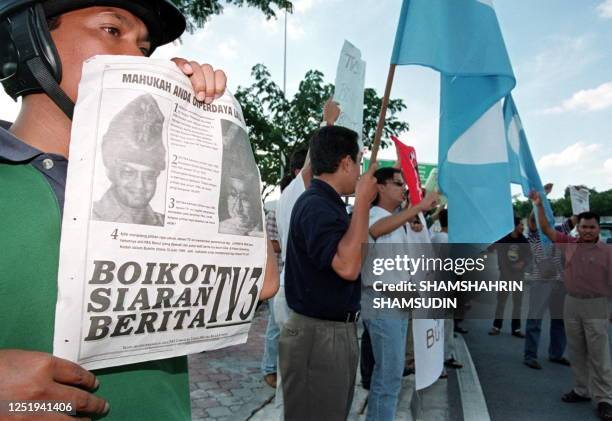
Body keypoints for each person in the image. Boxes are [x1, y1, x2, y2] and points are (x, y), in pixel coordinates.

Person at [0, 2, 278, 420]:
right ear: (28, 40)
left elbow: (261, 283)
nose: (137, 58)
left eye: (144, 47)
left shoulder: (152, 184)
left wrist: (204, 127)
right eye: (113, 30)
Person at [278, 125, 377, 420]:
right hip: (318, 335)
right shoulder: (316, 205)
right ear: (345, 162)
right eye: (358, 162)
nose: (360, 171)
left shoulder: (327, 204)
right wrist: (362, 201)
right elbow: (348, 266)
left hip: (329, 333)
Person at [361, 167, 437, 420]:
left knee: (390, 375)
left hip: (399, 306)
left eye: (403, 183)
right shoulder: (372, 215)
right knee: (389, 376)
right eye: (397, 183)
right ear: (380, 187)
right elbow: (376, 230)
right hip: (383, 305)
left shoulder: (399, 220)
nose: (403, 188)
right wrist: (416, 209)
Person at [531, 191, 612, 421]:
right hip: (572, 302)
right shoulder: (570, 244)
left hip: (596, 305)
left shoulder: (607, 253)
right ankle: (581, 390)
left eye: (592, 227)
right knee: (576, 350)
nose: (587, 231)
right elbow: (547, 230)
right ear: (580, 228)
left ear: (598, 229)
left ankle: (605, 398)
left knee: (599, 354)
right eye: (584, 227)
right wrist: (538, 205)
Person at [92, 94, 166, 226]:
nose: (140, 185)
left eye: (149, 176)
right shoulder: (90, 216)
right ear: (111, 171)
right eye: (128, 172)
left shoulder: (163, 223)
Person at [523, 184, 571, 370]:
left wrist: (579, 199)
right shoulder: (535, 235)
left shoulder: (559, 233)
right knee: (535, 319)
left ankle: (556, 353)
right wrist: (540, 198)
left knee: (560, 320)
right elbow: (532, 221)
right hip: (540, 282)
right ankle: (530, 355)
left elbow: (574, 220)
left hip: (559, 282)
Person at [489, 217, 530, 337]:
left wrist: (523, 263)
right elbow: (493, 249)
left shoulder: (523, 240)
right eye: (521, 225)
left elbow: (529, 256)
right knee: (501, 302)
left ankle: (516, 329)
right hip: (505, 276)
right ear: (515, 226)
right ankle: (496, 327)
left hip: (518, 277)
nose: (523, 227)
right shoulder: (504, 239)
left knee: (518, 304)